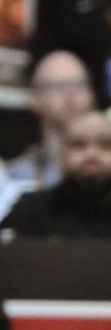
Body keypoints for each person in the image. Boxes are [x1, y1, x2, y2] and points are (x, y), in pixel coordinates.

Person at [0, 112, 111, 242]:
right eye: (79, 144)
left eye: (105, 145)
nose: (91, 154)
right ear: (62, 155)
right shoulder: (29, 212)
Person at [0, 51, 95, 222]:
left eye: (79, 84)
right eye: (58, 86)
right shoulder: (14, 175)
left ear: (92, 96)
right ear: (35, 98)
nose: (70, 94)